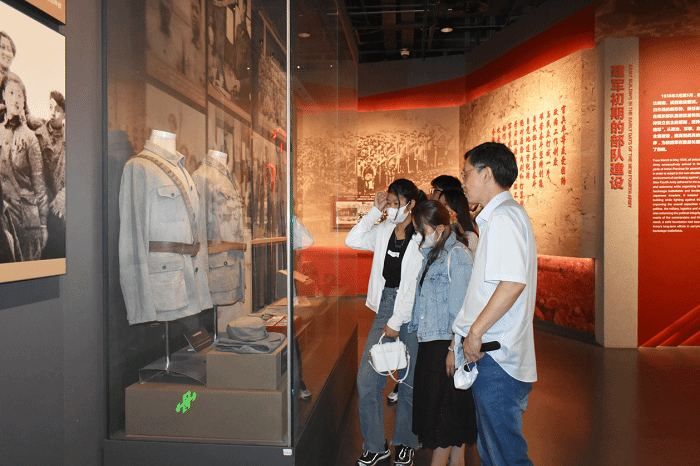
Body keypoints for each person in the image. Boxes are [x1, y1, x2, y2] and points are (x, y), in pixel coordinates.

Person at [452, 142, 537, 466]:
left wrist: (475, 333)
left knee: (505, 455)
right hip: (495, 355)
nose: (463, 181)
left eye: (466, 174)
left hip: (496, 357)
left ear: (486, 174)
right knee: (493, 451)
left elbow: (512, 283)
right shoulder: (503, 216)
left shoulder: (503, 217)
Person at [345, 178, 426, 466]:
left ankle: (406, 442)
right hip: (385, 308)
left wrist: (396, 322)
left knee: (409, 382)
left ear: (410, 204)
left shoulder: (421, 238)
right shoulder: (383, 231)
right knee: (367, 382)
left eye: (395, 203)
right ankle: (375, 445)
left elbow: (411, 287)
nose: (391, 208)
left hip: (410, 312)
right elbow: (352, 240)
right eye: (388, 203)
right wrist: (374, 211)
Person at [409, 200, 478, 466]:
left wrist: (454, 350)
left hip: (445, 347)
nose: (419, 236)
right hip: (432, 344)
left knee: (443, 420)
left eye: (422, 230)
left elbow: (462, 312)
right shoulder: (433, 254)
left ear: (439, 228)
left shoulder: (457, 255)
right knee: (452, 420)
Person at [0, 73, 48, 261]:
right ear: (3, 96)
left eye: (20, 95)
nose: (16, 99)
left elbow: (39, 186)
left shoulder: (30, 138)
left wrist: (43, 225)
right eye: (11, 93)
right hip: (5, 222)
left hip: (28, 224)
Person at [35, 91, 66, 259]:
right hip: (43, 201)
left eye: (58, 110)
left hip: (63, 203)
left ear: (64, 113)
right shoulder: (39, 135)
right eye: (50, 108)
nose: (53, 113)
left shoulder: (70, 137)